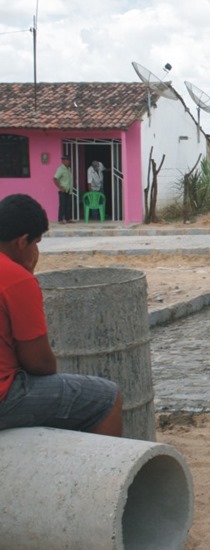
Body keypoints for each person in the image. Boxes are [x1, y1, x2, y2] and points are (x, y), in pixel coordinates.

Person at [0, 194, 123, 436]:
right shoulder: (16, 279)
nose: (36, 251)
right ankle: (104, 472)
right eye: (36, 243)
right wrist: (25, 273)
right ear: (22, 242)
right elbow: (40, 363)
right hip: (5, 397)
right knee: (107, 398)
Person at [53, 155, 74, 224]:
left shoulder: (68, 169)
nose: (68, 161)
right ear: (63, 161)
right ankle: (60, 219)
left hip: (68, 190)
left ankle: (68, 219)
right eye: (67, 160)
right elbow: (55, 179)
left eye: (69, 160)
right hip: (62, 190)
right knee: (62, 205)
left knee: (68, 205)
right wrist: (60, 187)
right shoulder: (60, 169)